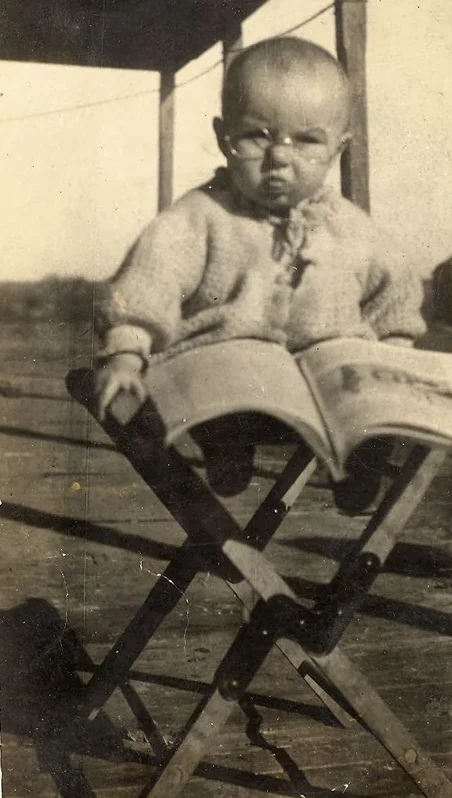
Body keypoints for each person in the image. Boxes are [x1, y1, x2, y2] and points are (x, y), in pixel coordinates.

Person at [94, 36, 426, 511]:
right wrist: (127, 353)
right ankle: (227, 450)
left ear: (339, 149)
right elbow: (148, 282)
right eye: (256, 136)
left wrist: (394, 354)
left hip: (320, 397)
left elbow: (393, 296)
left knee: (365, 404)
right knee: (221, 391)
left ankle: (362, 459)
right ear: (222, 135)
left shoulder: (351, 228)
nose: (280, 158)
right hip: (229, 389)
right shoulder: (202, 215)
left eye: (308, 140)